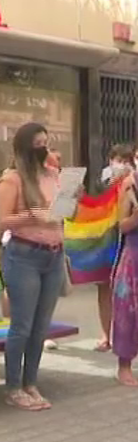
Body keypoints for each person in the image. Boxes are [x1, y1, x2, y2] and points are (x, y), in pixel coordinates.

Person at [0, 122, 64, 411]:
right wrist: (31, 215)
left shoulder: (53, 175)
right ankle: (13, 386)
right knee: (22, 325)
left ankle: (30, 382)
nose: (43, 148)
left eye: (45, 142)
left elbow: (61, 212)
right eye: (37, 143)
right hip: (24, 254)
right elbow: (3, 220)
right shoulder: (12, 179)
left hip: (54, 254)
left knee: (40, 326)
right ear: (25, 147)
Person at [95, 144, 134, 352]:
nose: (121, 164)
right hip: (106, 238)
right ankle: (105, 334)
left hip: (127, 240)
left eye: (126, 160)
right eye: (117, 159)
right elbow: (96, 201)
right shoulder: (105, 179)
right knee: (104, 285)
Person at [112, 166, 138, 386]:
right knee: (127, 311)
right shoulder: (130, 185)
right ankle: (124, 366)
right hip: (134, 258)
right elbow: (122, 226)